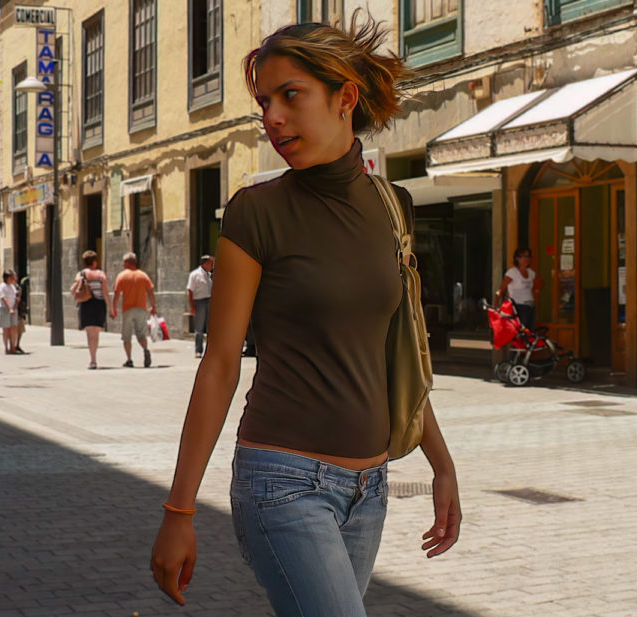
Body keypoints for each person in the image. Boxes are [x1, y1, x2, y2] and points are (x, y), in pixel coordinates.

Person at [151, 14, 461, 616]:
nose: (272, 118)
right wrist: (179, 511)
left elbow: (397, 355)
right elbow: (218, 365)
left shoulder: (391, 206)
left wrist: (442, 466)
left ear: (345, 97)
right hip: (283, 483)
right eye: (265, 102)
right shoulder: (254, 214)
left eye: (290, 95)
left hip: (370, 491)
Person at [111, 252, 157, 368]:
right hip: (142, 309)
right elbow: (150, 292)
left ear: (126, 263)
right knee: (141, 334)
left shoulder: (122, 276)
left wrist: (114, 309)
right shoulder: (143, 275)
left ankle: (129, 359)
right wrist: (153, 306)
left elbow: (116, 294)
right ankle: (145, 349)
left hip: (128, 309)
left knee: (126, 336)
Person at [74, 250, 111, 369]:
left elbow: (73, 290)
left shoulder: (81, 274)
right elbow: (105, 293)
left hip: (86, 304)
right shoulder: (101, 275)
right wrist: (111, 308)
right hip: (99, 305)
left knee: (89, 333)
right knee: (96, 333)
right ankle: (94, 358)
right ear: (95, 262)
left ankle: (93, 360)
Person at [495, 247, 542, 330]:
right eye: (523, 256)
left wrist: (536, 290)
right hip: (518, 307)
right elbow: (501, 289)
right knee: (520, 332)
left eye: (528, 256)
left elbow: (539, 285)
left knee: (530, 332)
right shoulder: (512, 272)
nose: (526, 259)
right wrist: (496, 307)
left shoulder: (531, 272)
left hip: (530, 307)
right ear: (517, 258)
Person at [186, 255, 214, 358]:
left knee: (210, 327)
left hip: (209, 301)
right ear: (205, 264)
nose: (212, 266)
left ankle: (210, 350)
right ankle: (198, 350)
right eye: (211, 263)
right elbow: (190, 291)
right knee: (199, 328)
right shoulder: (195, 275)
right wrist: (192, 307)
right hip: (199, 302)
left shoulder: (209, 275)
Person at [0, 270, 19, 354]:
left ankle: (13, 347)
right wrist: (10, 308)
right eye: (11, 277)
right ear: (6, 278)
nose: (13, 278)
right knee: (6, 329)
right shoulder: (2, 286)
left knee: (14, 328)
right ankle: (6, 347)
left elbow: (15, 297)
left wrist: (15, 306)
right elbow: (3, 298)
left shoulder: (13, 286)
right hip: (4, 309)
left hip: (13, 308)